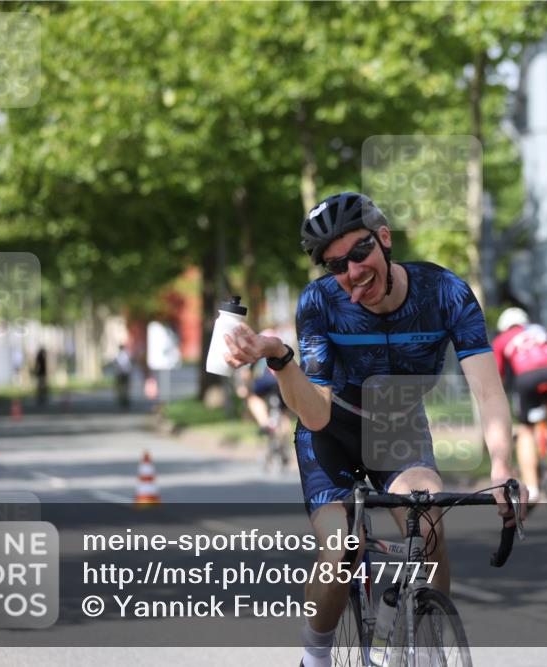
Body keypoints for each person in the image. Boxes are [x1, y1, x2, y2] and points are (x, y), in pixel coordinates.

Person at [221, 192, 526, 667]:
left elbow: (488, 391)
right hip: (331, 431)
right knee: (342, 548)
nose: (351, 274)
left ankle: (421, 643)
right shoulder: (320, 303)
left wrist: (504, 468)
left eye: (359, 253)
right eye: (335, 265)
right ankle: (314, 656)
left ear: (384, 239)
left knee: (429, 522)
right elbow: (316, 415)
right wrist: (280, 358)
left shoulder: (445, 293)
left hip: (398, 426)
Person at [492, 307, 547, 504]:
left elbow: (497, 373)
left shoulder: (502, 339)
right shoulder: (539, 329)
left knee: (525, 430)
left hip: (527, 377)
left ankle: (532, 487)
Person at [114, 344, 132, 408]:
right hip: (125, 373)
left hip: (121, 373)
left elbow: (117, 364)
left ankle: (123, 398)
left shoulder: (119, 355)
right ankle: (124, 398)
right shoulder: (126, 354)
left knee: (121, 387)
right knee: (125, 387)